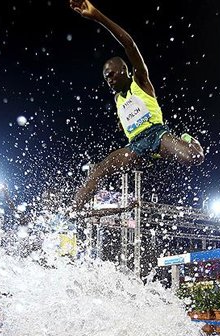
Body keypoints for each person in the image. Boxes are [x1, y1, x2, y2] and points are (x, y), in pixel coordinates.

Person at [69, 0, 205, 211]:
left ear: (125, 70)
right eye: (106, 78)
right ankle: (73, 210)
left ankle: (188, 138)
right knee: (99, 169)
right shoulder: (117, 99)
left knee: (194, 158)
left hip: (157, 135)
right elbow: (129, 116)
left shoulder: (140, 81)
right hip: (136, 147)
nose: (109, 79)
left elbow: (129, 44)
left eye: (112, 74)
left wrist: (97, 16)